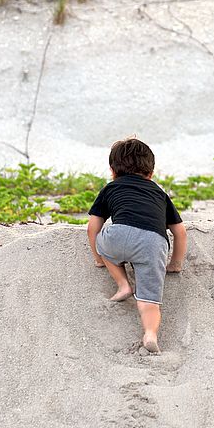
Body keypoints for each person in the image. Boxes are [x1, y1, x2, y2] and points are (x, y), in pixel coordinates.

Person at [87, 138, 187, 354]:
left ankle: (123, 284)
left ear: (112, 171)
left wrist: (99, 257)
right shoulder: (160, 193)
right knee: (150, 300)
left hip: (118, 236)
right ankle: (150, 334)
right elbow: (179, 232)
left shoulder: (110, 188)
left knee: (105, 246)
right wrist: (175, 263)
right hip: (154, 242)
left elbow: (92, 228)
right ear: (151, 173)